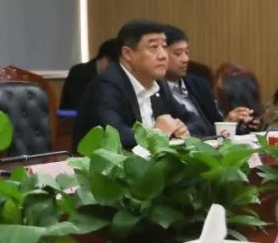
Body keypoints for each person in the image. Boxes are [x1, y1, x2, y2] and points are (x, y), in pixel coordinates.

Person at [73, 20, 188, 150]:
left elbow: (192, 120)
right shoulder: (107, 85)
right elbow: (115, 136)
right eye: (154, 47)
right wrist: (156, 134)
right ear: (127, 54)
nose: (163, 56)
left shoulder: (158, 83)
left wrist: (182, 129)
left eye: (164, 46)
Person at [162, 25, 254, 136]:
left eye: (187, 52)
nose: (186, 59)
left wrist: (230, 122)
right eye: (178, 54)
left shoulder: (199, 84)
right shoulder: (156, 91)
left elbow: (215, 126)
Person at [59, 38, 122, 111]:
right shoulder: (79, 72)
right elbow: (78, 103)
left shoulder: (114, 76)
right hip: (73, 115)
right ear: (105, 59)